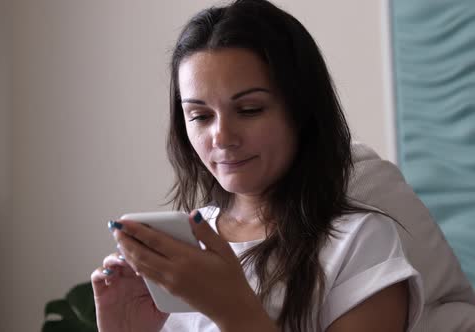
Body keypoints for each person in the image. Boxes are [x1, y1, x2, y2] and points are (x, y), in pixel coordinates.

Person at [90, 0, 425, 331]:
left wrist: (232, 310)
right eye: (200, 116)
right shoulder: (184, 244)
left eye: (249, 109)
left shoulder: (360, 242)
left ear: (301, 111)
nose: (221, 137)